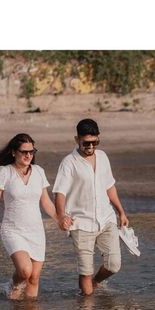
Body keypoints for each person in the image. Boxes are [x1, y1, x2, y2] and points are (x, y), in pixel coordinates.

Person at [0, 133, 68, 300]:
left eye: (31, 152)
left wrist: (59, 219)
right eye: (24, 152)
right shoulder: (4, 172)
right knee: (25, 270)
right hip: (13, 230)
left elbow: (46, 202)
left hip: (36, 231)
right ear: (13, 152)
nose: (28, 155)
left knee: (34, 278)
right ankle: (13, 285)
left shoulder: (39, 172)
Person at [53, 118, 129, 296]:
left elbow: (109, 186)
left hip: (106, 219)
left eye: (95, 142)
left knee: (114, 264)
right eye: (86, 143)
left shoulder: (103, 157)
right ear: (76, 139)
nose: (90, 146)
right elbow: (59, 193)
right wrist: (61, 216)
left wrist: (121, 212)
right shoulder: (68, 162)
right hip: (81, 223)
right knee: (85, 271)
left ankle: (96, 282)